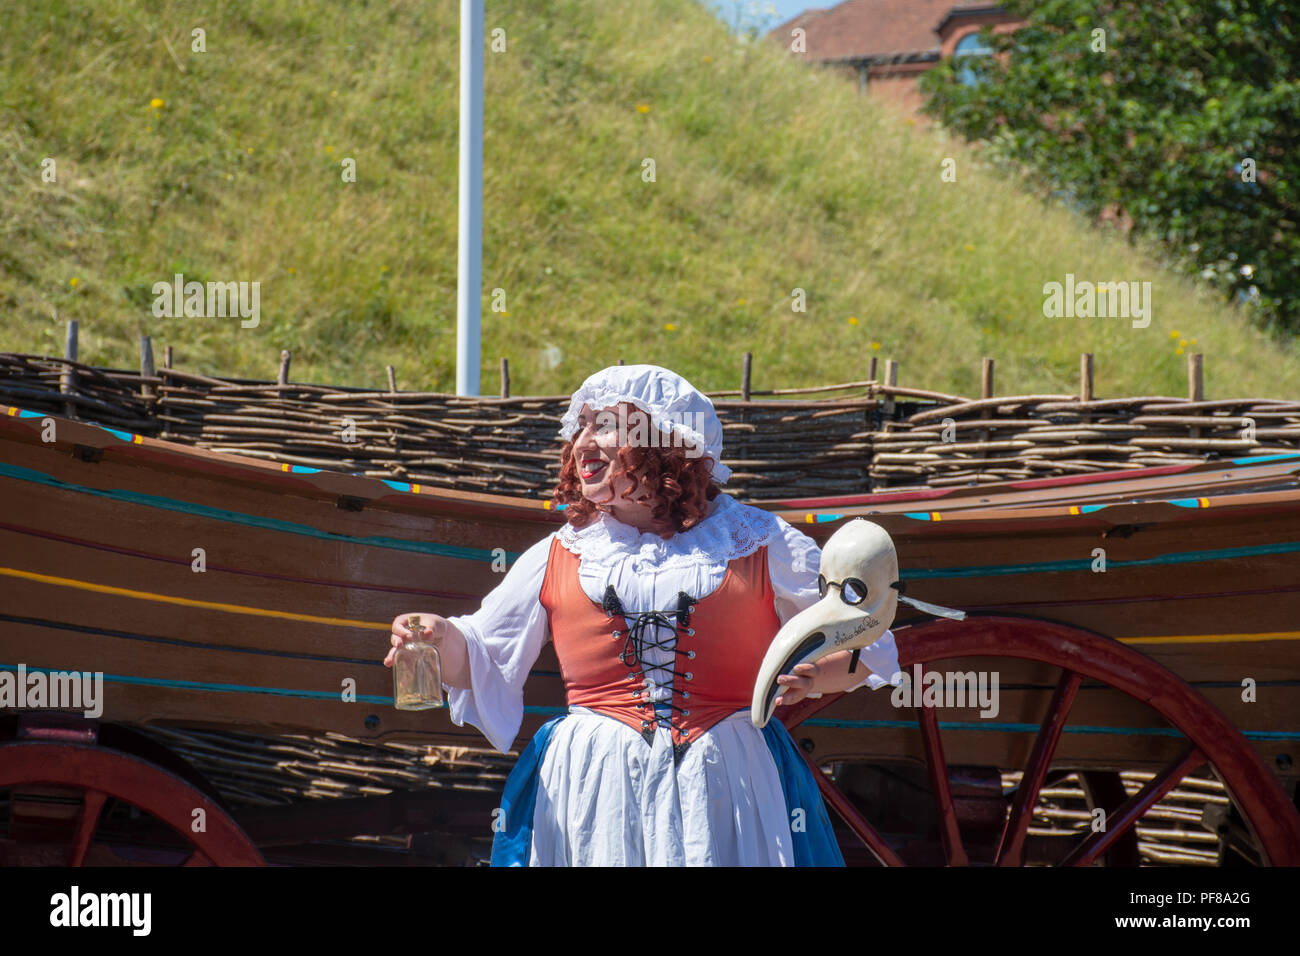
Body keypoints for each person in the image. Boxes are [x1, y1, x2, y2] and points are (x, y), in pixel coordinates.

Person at [384, 364, 901, 865]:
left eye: (604, 426)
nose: (583, 442)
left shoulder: (759, 541)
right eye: (580, 426)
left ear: (666, 445)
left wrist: (816, 676)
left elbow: (863, 638)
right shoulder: (561, 552)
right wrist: (437, 635)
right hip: (593, 785)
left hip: (728, 779)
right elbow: (480, 653)